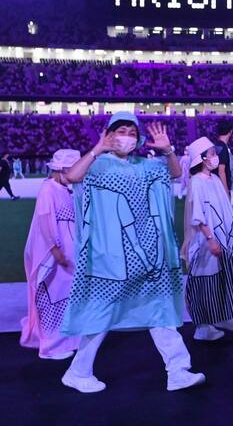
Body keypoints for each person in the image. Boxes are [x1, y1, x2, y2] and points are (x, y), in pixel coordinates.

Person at [60, 112, 205, 393]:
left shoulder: (145, 166)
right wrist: (97, 148)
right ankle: (77, 371)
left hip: (149, 256)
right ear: (108, 133)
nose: (125, 136)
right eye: (119, 130)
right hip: (111, 258)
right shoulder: (97, 164)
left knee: (159, 311)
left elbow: (174, 173)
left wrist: (168, 150)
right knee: (102, 314)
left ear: (138, 138)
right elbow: (71, 176)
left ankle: (178, 370)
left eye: (130, 131)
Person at [181, 137, 233, 341]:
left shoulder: (215, 180)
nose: (215, 157)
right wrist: (210, 238)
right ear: (201, 159)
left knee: (226, 276)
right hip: (207, 241)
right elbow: (198, 214)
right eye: (211, 154)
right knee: (205, 280)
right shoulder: (196, 182)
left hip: (226, 237)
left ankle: (223, 315)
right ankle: (203, 325)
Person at [20, 149, 82, 360]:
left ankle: (64, 340)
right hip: (55, 255)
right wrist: (56, 251)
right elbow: (46, 220)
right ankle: (49, 346)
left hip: (67, 254)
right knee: (52, 298)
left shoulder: (65, 189)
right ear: (63, 168)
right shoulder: (49, 189)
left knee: (65, 298)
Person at [213, 120, 233, 198]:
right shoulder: (222, 147)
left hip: (215, 186)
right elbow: (221, 171)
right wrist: (226, 192)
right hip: (221, 189)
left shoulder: (215, 145)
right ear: (230, 131)